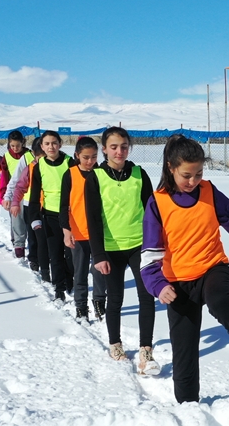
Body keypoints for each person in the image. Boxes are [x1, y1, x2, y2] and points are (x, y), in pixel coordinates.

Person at [141, 134, 229, 403]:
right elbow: (150, 256)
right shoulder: (157, 202)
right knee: (184, 352)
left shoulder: (209, 192)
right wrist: (159, 286)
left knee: (220, 300)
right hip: (177, 282)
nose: (193, 181)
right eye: (186, 175)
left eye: (198, 173)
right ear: (170, 168)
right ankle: (188, 406)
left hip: (212, 268)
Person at [84, 126, 159, 375]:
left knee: (147, 296)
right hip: (110, 248)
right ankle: (115, 344)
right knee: (115, 298)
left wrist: (157, 246)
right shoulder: (95, 177)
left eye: (124, 146)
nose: (119, 151)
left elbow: (153, 212)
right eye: (114, 146)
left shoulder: (139, 174)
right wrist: (99, 255)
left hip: (140, 245)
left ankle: (146, 350)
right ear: (104, 149)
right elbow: (92, 219)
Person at [16, 131, 73, 300]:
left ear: (60, 144)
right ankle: (59, 288)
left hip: (70, 216)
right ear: (42, 146)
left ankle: (70, 280)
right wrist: (34, 218)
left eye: (54, 143)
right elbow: (34, 195)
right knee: (55, 254)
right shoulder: (39, 166)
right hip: (49, 215)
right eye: (47, 144)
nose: (51, 147)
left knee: (69, 255)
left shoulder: (70, 163)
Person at [60, 136, 109, 322]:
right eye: (86, 157)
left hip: (98, 234)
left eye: (94, 157)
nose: (90, 161)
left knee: (100, 272)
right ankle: (81, 306)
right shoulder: (70, 175)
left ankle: (99, 302)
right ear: (77, 156)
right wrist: (66, 230)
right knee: (80, 273)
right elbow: (64, 206)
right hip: (78, 233)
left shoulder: (101, 174)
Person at [8, 136, 45, 273]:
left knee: (46, 236)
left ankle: (45, 260)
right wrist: (14, 201)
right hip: (31, 205)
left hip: (48, 206)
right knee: (34, 235)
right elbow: (18, 184)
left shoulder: (54, 165)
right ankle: (34, 259)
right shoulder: (29, 166)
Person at [2, 129, 35, 260]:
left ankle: (24, 245)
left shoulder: (29, 155)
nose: (15, 148)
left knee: (27, 222)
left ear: (23, 143)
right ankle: (18, 245)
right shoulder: (6, 156)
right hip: (14, 192)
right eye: (12, 146)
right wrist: (5, 196)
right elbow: (6, 177)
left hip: (28, 192)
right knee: (16, 220)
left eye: (18, 145)